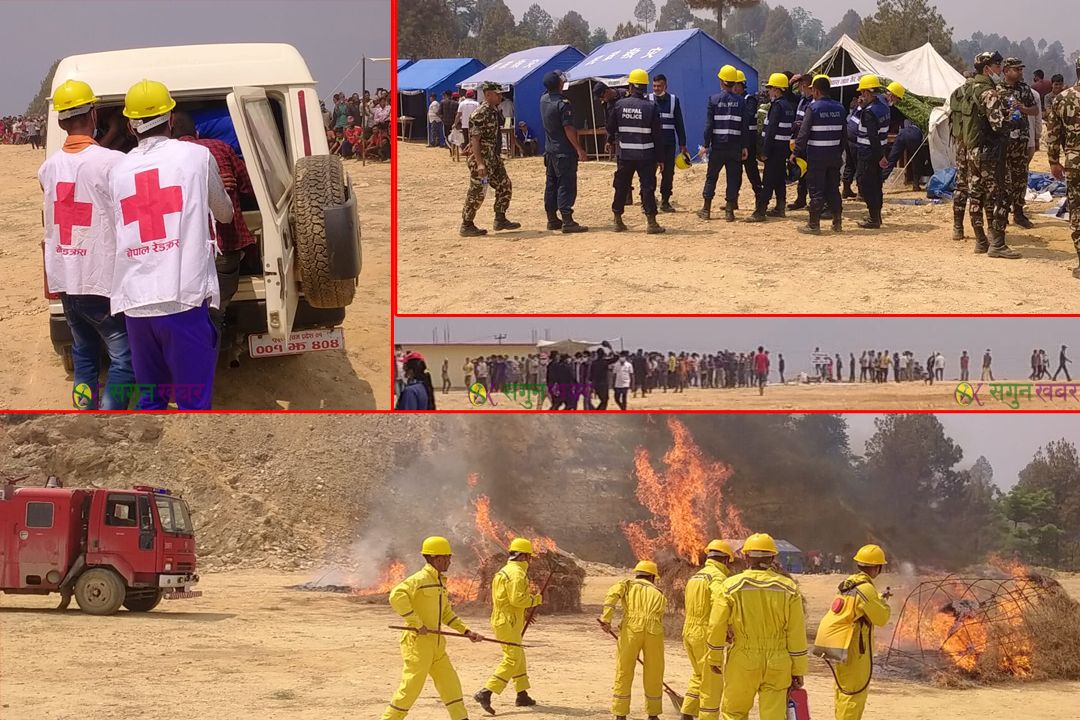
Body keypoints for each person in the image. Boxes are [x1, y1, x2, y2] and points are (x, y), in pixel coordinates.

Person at [109, 79, 233, 411]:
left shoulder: (117, 170)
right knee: (194, 402)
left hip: (135, 304)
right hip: (183, 299)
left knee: (151, 400)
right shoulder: (197, 156)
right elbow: (223, 214)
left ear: (131, 127)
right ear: (172, 118)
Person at [39, 79, 135, 410]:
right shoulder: (113, 163)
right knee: (126, 360)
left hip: (66, 278)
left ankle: (85, 410)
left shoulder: (47, 168)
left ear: (61, 122)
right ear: (94, 113)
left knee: (84, 354)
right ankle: (109, 417)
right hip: (100, 281)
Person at [170, 112, 256, 345]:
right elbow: (248, 187)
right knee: (214, 318)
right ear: (196, 133)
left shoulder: (162, 160)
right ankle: (207, 370)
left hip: (179, 256)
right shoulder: (221, 148)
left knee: (184, 322)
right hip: (223, 252)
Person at [707, 533, 808, 720]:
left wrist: (714, 657)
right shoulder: (789, 588)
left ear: (746, 557)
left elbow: (716, 624)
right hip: (778, 661)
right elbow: (796, 633)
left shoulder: (730, 586)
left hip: (743, 659)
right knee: (773, 716)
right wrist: (798, 670)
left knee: (734, 713)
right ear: (772, 558)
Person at [381, 537, 484, 720]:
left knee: (451, 684)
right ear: (437, 558)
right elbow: (396, 596)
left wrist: (467, 632)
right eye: (448, 557)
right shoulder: (419, 580)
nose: (450, 561)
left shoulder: (440, 582)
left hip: (437, 646)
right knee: (410, 689)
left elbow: (446, 614)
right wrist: (415, 623)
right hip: (418, 645)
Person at [473, 538, 542, 714]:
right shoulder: (518, 574)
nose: (530, 560)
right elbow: (517, 599)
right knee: (512, 658)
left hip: (503, 618)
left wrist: (524, 613)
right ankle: (486, 692)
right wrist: (536, 599)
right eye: (529, 557)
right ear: (525, 556)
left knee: (518, 655)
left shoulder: (504, 571)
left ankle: (522, 694)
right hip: (508, 622)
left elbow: (504, 599)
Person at [826, 545, 892, 720]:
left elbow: (859, 607)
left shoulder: (848, 584)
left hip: (841, 645)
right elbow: (881, 618)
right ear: (877, 567)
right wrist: (884, 604)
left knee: (843, 690)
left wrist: (877, 599)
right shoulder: (866, 589)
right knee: (855, 693)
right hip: (857, 650)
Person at [971, 51, 1023, 258]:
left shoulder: (967, 89)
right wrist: (1013, 121)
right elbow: (998, 126)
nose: (1000, 69)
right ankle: (998, 244)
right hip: (991, 152)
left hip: (972, 150)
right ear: (987, 69)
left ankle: (980, 241)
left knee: (976, 193)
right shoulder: (989, 92)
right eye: (997, 65)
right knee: (1003, 193)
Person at [600, 560, 667, 720]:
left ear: (637, 573)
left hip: (631, 629)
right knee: (654, 672)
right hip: (654, 631)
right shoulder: (659, 593)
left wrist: (607, 619)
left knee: (624, 670)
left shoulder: (627, 584)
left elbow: (611, 595)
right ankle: (653, 714)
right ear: (652, 577)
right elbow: (660, 614)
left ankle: (620, 714)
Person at [607, 69, 666, 234]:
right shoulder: (651, 106)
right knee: (647, 187)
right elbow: (657, 135)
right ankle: (652, 223)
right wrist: (660, 159)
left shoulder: (619, 105)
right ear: (645, 87)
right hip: (646, 155)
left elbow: (610, 128)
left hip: (625, 154)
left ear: (631, 86)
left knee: (621, 186)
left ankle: (617, 220)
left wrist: (613, 139)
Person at [679, 540, 734, 720]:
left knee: (699, 675)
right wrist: (729, 626)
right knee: (712, 681)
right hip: (704, 633)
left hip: (688, 630)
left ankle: (686, 714)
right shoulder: (718, 578)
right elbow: (720, 605)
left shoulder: (696, 577)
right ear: (726, 560)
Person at [461, 82, 520, 237]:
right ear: (487, 94)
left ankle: (500, 219)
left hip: (493, 157)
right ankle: (467, 224)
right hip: (482, 160)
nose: (500, 96)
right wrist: (480, 163)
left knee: (504, 185)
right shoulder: (480, 113)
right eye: (497, 94)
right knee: (477, 192)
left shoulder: (494, 111)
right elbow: (475, 139)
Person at [793, 75, 847, 234]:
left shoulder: (813, 108)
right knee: (833, 189)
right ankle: (837, 222)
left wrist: (795, 151)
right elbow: (844, 135)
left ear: (815, 91)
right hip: (834, 156)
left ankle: (813, 224)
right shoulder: (840, 108)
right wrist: (838, 151)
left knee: (816, 189)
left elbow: (803, 133)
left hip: (817, 156)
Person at [539, 71, 588, 234]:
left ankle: (552, 218)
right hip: (563, 151)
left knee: (551, 184)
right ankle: (567, 220)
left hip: (550, 151)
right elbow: (568, 128)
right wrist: (579, 148)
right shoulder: (563, 103)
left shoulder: (543, 100)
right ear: (560, 84)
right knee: (566, 185)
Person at [698, 65, 748, 222]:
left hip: (718, 147)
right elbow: (744, 126)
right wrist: (744, 146)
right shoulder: (741, 101)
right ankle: (729, 212)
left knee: (711, 177)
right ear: (734, 83)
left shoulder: (713, 100)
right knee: (733, 178)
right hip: (734, 147)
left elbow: (709, 125)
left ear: (721, 82)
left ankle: (706, 210)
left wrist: (706, 145)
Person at [1045, 55, 1080, 278]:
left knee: (1076, 210)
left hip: (1074, 162)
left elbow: (1053, 134)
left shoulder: (1062, 98)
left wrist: (1053, 161)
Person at [748, 73, 795, 223]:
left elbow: (771, 130)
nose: (768, 91)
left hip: (774, 149)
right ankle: (780, 207)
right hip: (783, 148)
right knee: (780, 178)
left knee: (768, 180)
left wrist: (764, 151)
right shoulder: (787, 105)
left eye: (770, 88)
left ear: (777, 89)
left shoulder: (777, 106)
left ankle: (760, 211)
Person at [1001, 58, 1039, 229]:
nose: (1020, 73)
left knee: (1020, 177)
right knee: (1003, 178)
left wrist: (1023, 108)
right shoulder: (997, 89)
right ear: (1006, 71)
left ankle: (1018, 212)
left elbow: (1035, 110)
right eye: (1017, 69)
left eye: (1021, 70)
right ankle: (1002, 211)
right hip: (1003, 140)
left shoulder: (1024, 89)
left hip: (1021, 140)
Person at [853, 75, 889, 229]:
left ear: (867, 93)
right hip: (878, 151)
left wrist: (880, 156)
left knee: (865, 183)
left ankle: (873, 217)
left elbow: (872, 136)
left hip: (868, 153)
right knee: (876, 184)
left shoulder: (869, 112)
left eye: (862, 93)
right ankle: (877, 215)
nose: (861, 96)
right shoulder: (884, 107)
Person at [648, 73, 688, 213]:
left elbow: (679, 122)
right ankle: (648, 200)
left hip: (668, 143)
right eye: (654, 86)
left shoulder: (673, 100)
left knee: (668, 173)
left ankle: (665, 200)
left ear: (666, 86)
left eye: (659, 86)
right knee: (649, 173)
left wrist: (682, 143)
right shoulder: (648, 99)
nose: (656, 88)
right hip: (651, 144)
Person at [949, 74, 976, 240]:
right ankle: (980, 231)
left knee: (961, 185)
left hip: (960, 143)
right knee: (979, 187)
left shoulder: (956, 93)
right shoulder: (982, 93)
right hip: (976, 144)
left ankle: (958, 227)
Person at [734, 70, 764, 201]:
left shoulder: (749, 100)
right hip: (737, 141)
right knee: (735, 172)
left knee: (751, 170)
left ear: (740, 86)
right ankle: (733, 199)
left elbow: (748, 116)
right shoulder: (735, 100)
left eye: (734, 85)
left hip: (749, 141)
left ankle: (759, 196)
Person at [787, 74, 814, 211]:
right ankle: (801, 199)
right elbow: (788, 95)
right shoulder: (802, 99)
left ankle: (813, 201)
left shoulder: (813, 102)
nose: (798, 87)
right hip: (799, 140)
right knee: (801, 170)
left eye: (800, 84)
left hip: (809, 142)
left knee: (810, 173)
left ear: (805, 85)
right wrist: (790, 83)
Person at [590, 342, 619, 410]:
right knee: (605, 400)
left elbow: (591, 376)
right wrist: (610, 348)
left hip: (596, 384)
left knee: (603, 400)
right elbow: (616, 357)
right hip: (603, 384)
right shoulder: (605, 361)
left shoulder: (594, 363)